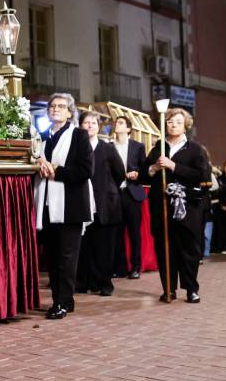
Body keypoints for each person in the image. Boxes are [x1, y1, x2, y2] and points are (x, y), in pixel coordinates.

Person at [34, 93, 92, 320]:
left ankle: (62, 302)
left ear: (70, 112)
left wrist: (55, 170)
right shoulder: (42, 138)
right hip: (47, 205)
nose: (55, 109)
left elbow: (86, 171)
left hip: (71, 207)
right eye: (52, 106)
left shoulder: (79, 136)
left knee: (67, 258)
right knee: (53, 257)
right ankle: (63, 300)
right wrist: (38, 165)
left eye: (61, 106)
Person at [143, 107, 211, 303]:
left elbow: (202, 176)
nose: (173, 125)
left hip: (187, 208)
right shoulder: (157, 149)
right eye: (170, 121)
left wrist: (174, 166)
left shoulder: (195, 149)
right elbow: (143, 175)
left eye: (178, 122)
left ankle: (191, 289)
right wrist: (154, 168)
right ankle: (168, 289)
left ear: (186, 126)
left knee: (188, 250)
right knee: (165, 250)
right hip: (161, 208)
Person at [76, 113, 123, 296]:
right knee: (84, 247)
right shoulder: (76, 148)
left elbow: (119, 173)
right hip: (82, 204)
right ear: (80, 126)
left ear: (99, 126)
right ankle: (83, 282)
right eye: (86, 122)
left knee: (104, 247)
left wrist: (107, 189)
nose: (90, 125)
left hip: (105, 205)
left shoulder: (107, 148)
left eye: (93, 123)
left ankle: (104, 284)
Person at [110, 115, 146, 278]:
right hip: (114, 194)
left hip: (132, 194)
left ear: (128, 129)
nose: (117, 124)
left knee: (134, 233)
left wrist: (137, 174)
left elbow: (144, 172)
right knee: (116, 233)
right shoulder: (109, 147)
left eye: (121, 123)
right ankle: (120, 267)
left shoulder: (138, 147)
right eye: (116, 122)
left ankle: (136, 267)